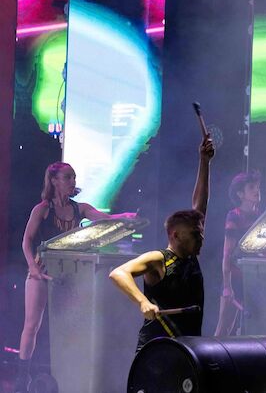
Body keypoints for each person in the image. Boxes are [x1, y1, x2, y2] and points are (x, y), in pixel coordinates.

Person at [15, 162, 136, 392]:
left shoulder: (80, 208)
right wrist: (32, 267)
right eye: (68, 177)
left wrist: (124, 217)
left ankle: (72, 373)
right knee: (31, 325)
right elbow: (26, 241)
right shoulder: (42, 209)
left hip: (69, 274)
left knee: (72, 325)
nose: (73, 182)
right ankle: (22, 379)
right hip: (42, 270)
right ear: (54, 181)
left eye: (74, 177)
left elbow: (103, 218)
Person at [109, 134, 214, 351]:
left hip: (188, 348)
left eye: (201, 233)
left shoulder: (190, 258)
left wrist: (204, 161)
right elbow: (118, 273)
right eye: (195, 234)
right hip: (156, 350)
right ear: (176, 235)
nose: (201, 238)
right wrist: (143, 302)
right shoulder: (159, 259)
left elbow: (199, 206)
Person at [215, 170, 261, 336]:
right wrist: (227, 287)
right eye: (251, 187)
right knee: (224, 328)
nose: (257, 190)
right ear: (240, 194)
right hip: (235, 277)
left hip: (253, 278)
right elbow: (227, 253)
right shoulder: (234, 216)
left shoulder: (260, 215)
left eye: (258, 187)